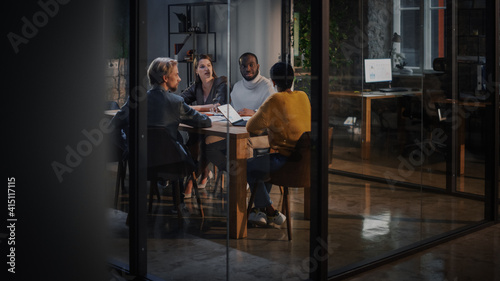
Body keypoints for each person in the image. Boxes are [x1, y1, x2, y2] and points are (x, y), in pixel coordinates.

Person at [246, 62, 311, 226]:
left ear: (273, 82)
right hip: (306, 163)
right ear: (293, 79)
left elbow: (251, 126)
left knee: (245, 166)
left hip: (285, 163)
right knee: (262, 166)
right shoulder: (303, 96)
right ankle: (260, 211)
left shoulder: (275, 98)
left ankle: (270, 210)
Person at [180, 54, 229, 196]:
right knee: (192, 140)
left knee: (204, 143)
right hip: (204, 126)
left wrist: (195, 108)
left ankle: (191, 180)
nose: (206, 69)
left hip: (221, 129)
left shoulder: (221, 82)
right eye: (202, 66)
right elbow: (180, 100)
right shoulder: (196, 87)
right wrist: (205, 108)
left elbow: (218, 106)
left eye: (209, 65)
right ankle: (203, 172)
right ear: (196, 70)